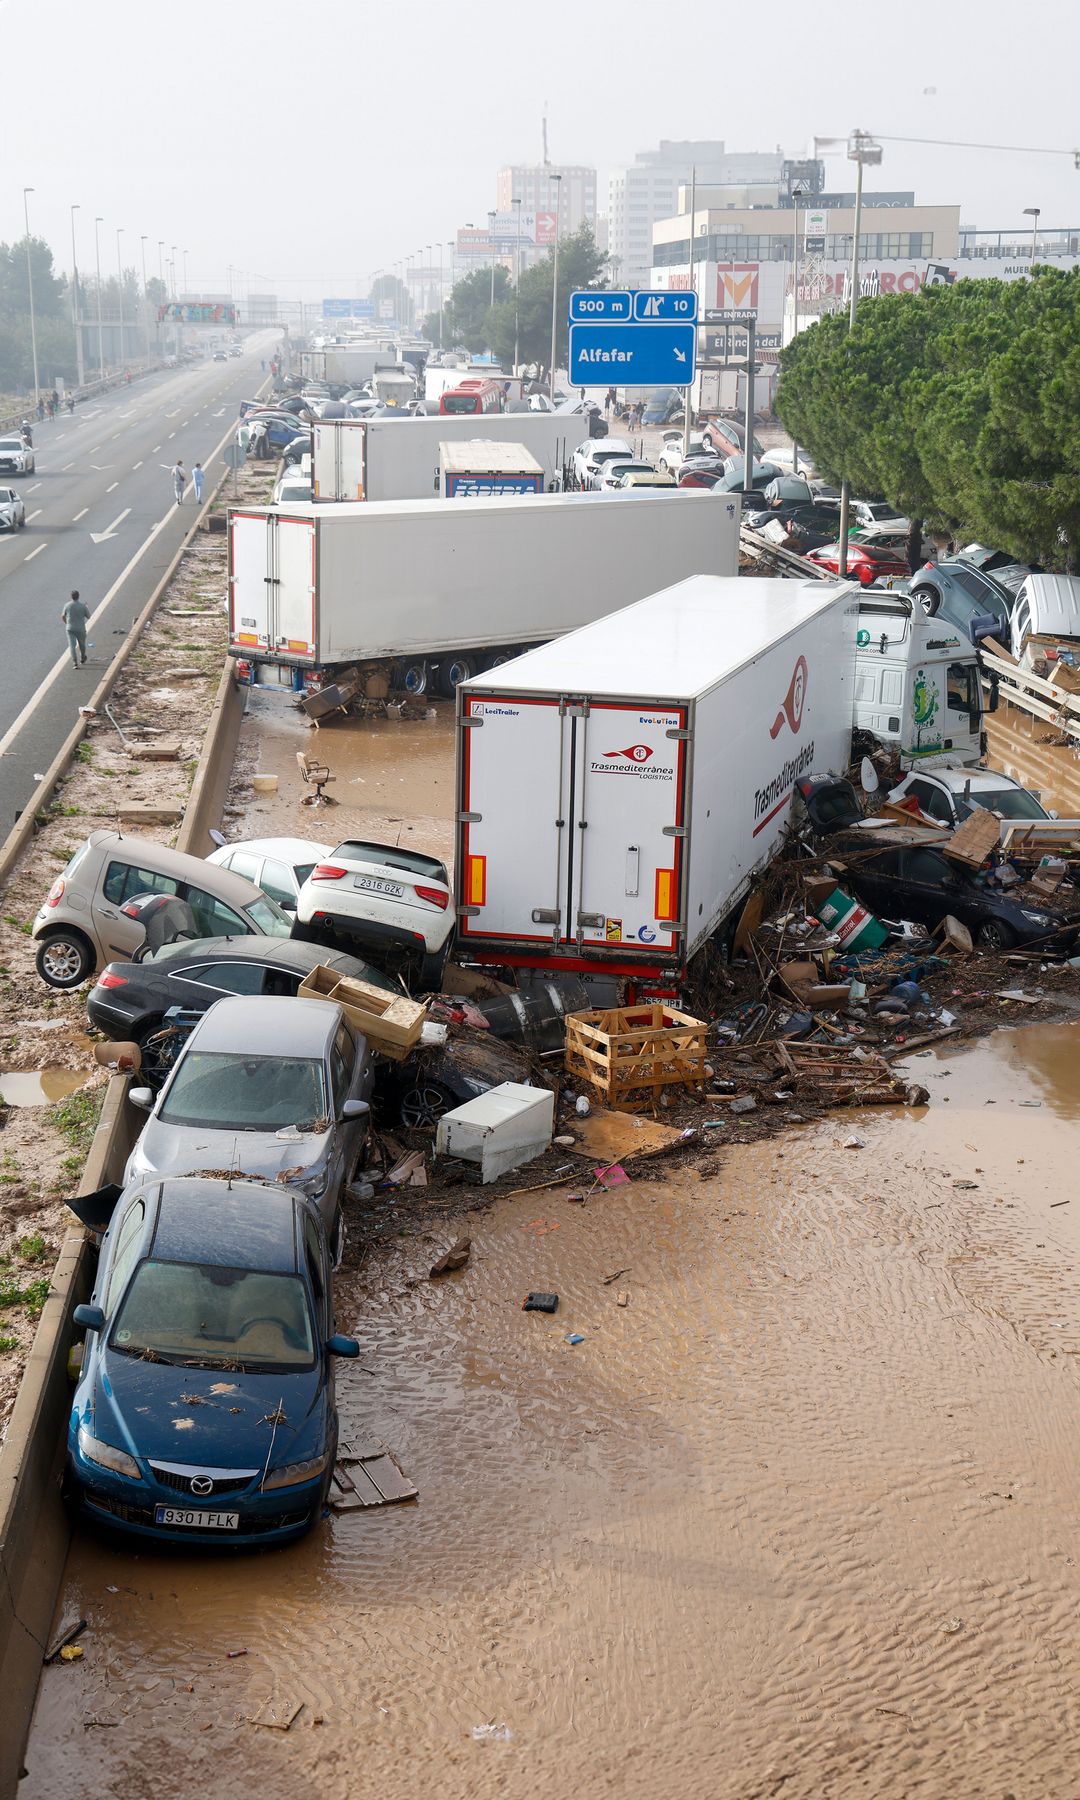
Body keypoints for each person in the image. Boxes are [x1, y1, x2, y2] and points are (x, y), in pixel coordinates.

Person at [61, 590, 89, 669]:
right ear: (78, 596)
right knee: (82, 645)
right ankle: (83, 658)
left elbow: (63, 616)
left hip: (70, 628)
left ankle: (75, 663)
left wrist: (67, 623)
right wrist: (86, 608)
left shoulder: (67, 605)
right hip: (80, 629)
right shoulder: (82, 606)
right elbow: (89, 616)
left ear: (71, 597)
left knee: (72, 646)